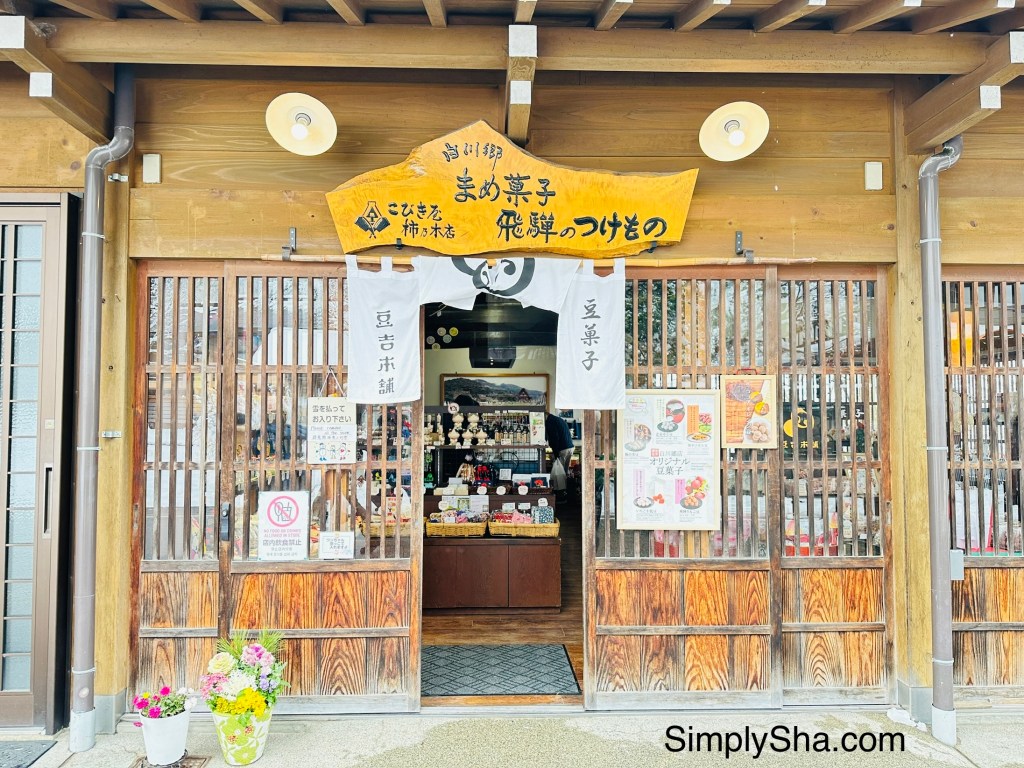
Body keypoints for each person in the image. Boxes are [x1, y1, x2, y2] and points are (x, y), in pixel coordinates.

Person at [545, 411, 574, 497]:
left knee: (560, 473)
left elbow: (554, 438)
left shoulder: (550, 422)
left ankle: (561, 493)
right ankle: (566, 492)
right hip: (569, 447)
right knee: (564, 472)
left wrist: (555, 454)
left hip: (562, 448)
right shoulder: (558, 419)